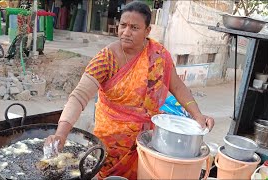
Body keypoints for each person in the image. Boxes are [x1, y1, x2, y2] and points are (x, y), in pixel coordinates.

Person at [45, 1, 215, 179]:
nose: (126, 32)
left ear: (147, 31)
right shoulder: (106, 58)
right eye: (123, 26)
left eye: (134, 27)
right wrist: (61, 133)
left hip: (145, 141)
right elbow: (79, 96)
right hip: (112, 142)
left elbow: (178, 87)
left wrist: (198, 116)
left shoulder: (158, 56)